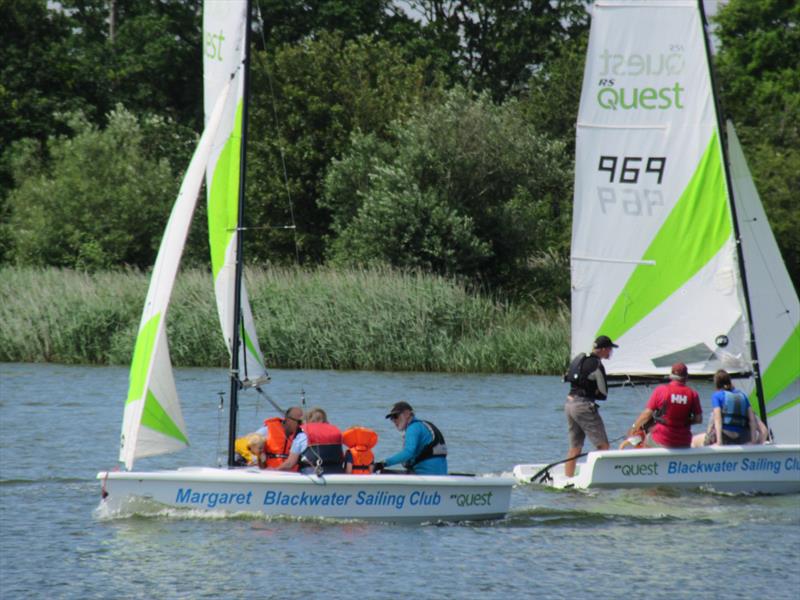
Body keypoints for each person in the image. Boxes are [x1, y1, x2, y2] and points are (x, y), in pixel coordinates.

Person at [563, 335, 617, 477]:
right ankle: (601, 478)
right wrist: (596, 391)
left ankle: (568, 478)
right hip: (583, 406)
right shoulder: (597, 365)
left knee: (575, 447)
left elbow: (569, 378)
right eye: (610, 349)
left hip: (569, 404)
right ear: (604, 349)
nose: (610, 352)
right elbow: (604, 394)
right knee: (603, 446)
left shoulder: (580, 358)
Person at [627, 362, 702, 448]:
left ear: (671, 375)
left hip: (662, 439)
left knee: (646, 439)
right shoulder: (693, 394)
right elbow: (698, 419)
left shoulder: (661, 390)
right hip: (683, 441)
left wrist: (634, 427)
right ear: (686, 377)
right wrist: (682, 423)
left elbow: (647, 414)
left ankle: (646, 461)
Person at [374, 401, 448, 475]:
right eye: (391, 418)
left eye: (395, 416)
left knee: (381, 472)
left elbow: (408, 452)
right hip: (441, 475)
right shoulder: (423, 426)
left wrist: (382, 464)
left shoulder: (413, 428)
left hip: (426, 475)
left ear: (407, 413)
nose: (393, 420)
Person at [277, 406, 345, 474]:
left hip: (311, 475)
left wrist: (274, 470)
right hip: (337, 474)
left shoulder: (302, 435)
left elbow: (290, 464)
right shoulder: (336, 433)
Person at [703, 370, 759, 445]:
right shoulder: (743, 396)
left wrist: (719, 442)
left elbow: (717, 419)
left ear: (717, 384)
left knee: (712, 415)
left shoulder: (717, 396)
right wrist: (753, 441)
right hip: (741, 437)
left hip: (725, 436)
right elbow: (752, 420)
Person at [257, 406, 304, 470]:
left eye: (302, 422)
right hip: (269, 473)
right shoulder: (268, 430)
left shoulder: (301, 436)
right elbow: (250, 442)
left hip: (293, 475)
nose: (300, 425)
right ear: (288, 419)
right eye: (299, 422)